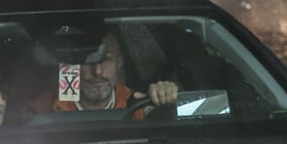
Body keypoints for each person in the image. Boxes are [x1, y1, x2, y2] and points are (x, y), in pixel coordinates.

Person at [25, 32, 178, 116]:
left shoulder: (141, 107)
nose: (97, 71)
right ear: (72, 66)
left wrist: (167, 97)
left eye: (107, 59)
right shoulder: (39, 111)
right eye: (88, 60)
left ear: (119, 63)